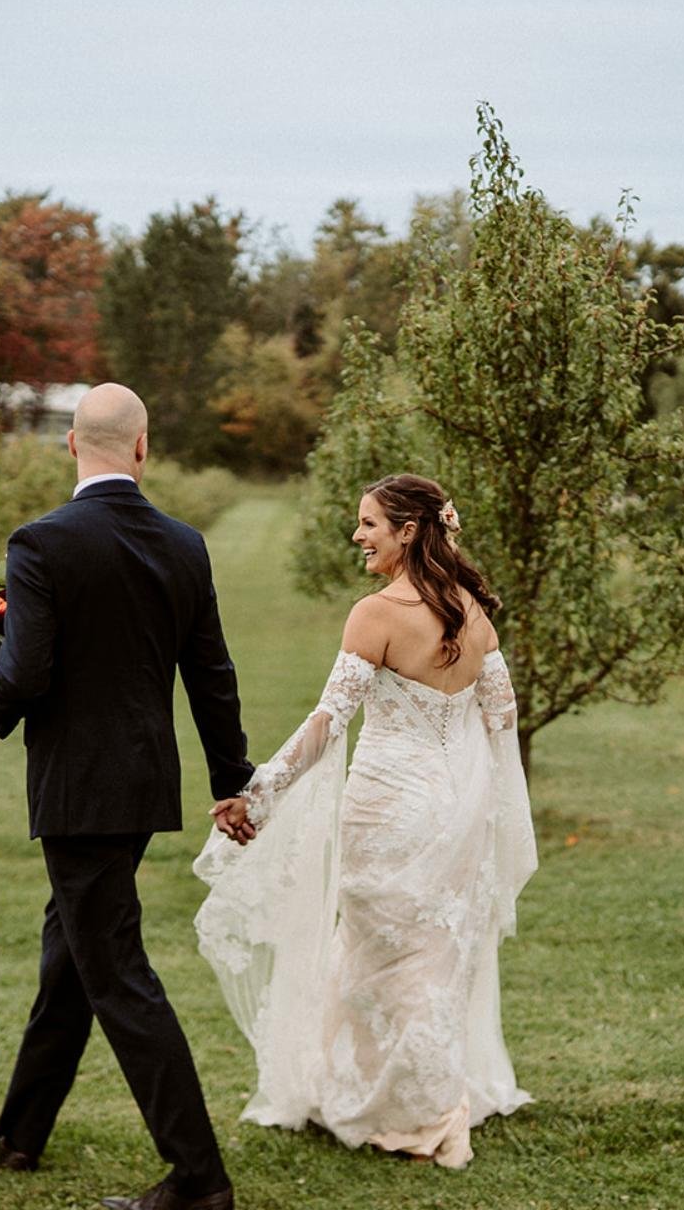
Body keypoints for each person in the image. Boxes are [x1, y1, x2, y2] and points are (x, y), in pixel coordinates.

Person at [0, 383, 250, 1210]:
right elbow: (212, 673)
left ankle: (198, 1179)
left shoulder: (42, 542)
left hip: (78, 793)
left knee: (116, 972)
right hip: (141, 786)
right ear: (142, 447)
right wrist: (227, 776)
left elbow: (27, 671)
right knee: (75, 950)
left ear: (69, 447)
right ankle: (19, 1132)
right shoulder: (183, 543)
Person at [198, 473, 537, 1169]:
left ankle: (418, 1113)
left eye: (369, 524)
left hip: (387, 808)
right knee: (434, 963)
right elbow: (501, 716)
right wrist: (462, 776)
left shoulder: (375, 614)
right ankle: (423, 1098)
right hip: (458, 811)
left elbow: (329, 722)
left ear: (408, 531)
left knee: (379, 959)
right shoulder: (473, 613)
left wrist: (257, 795)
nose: (358, 535)